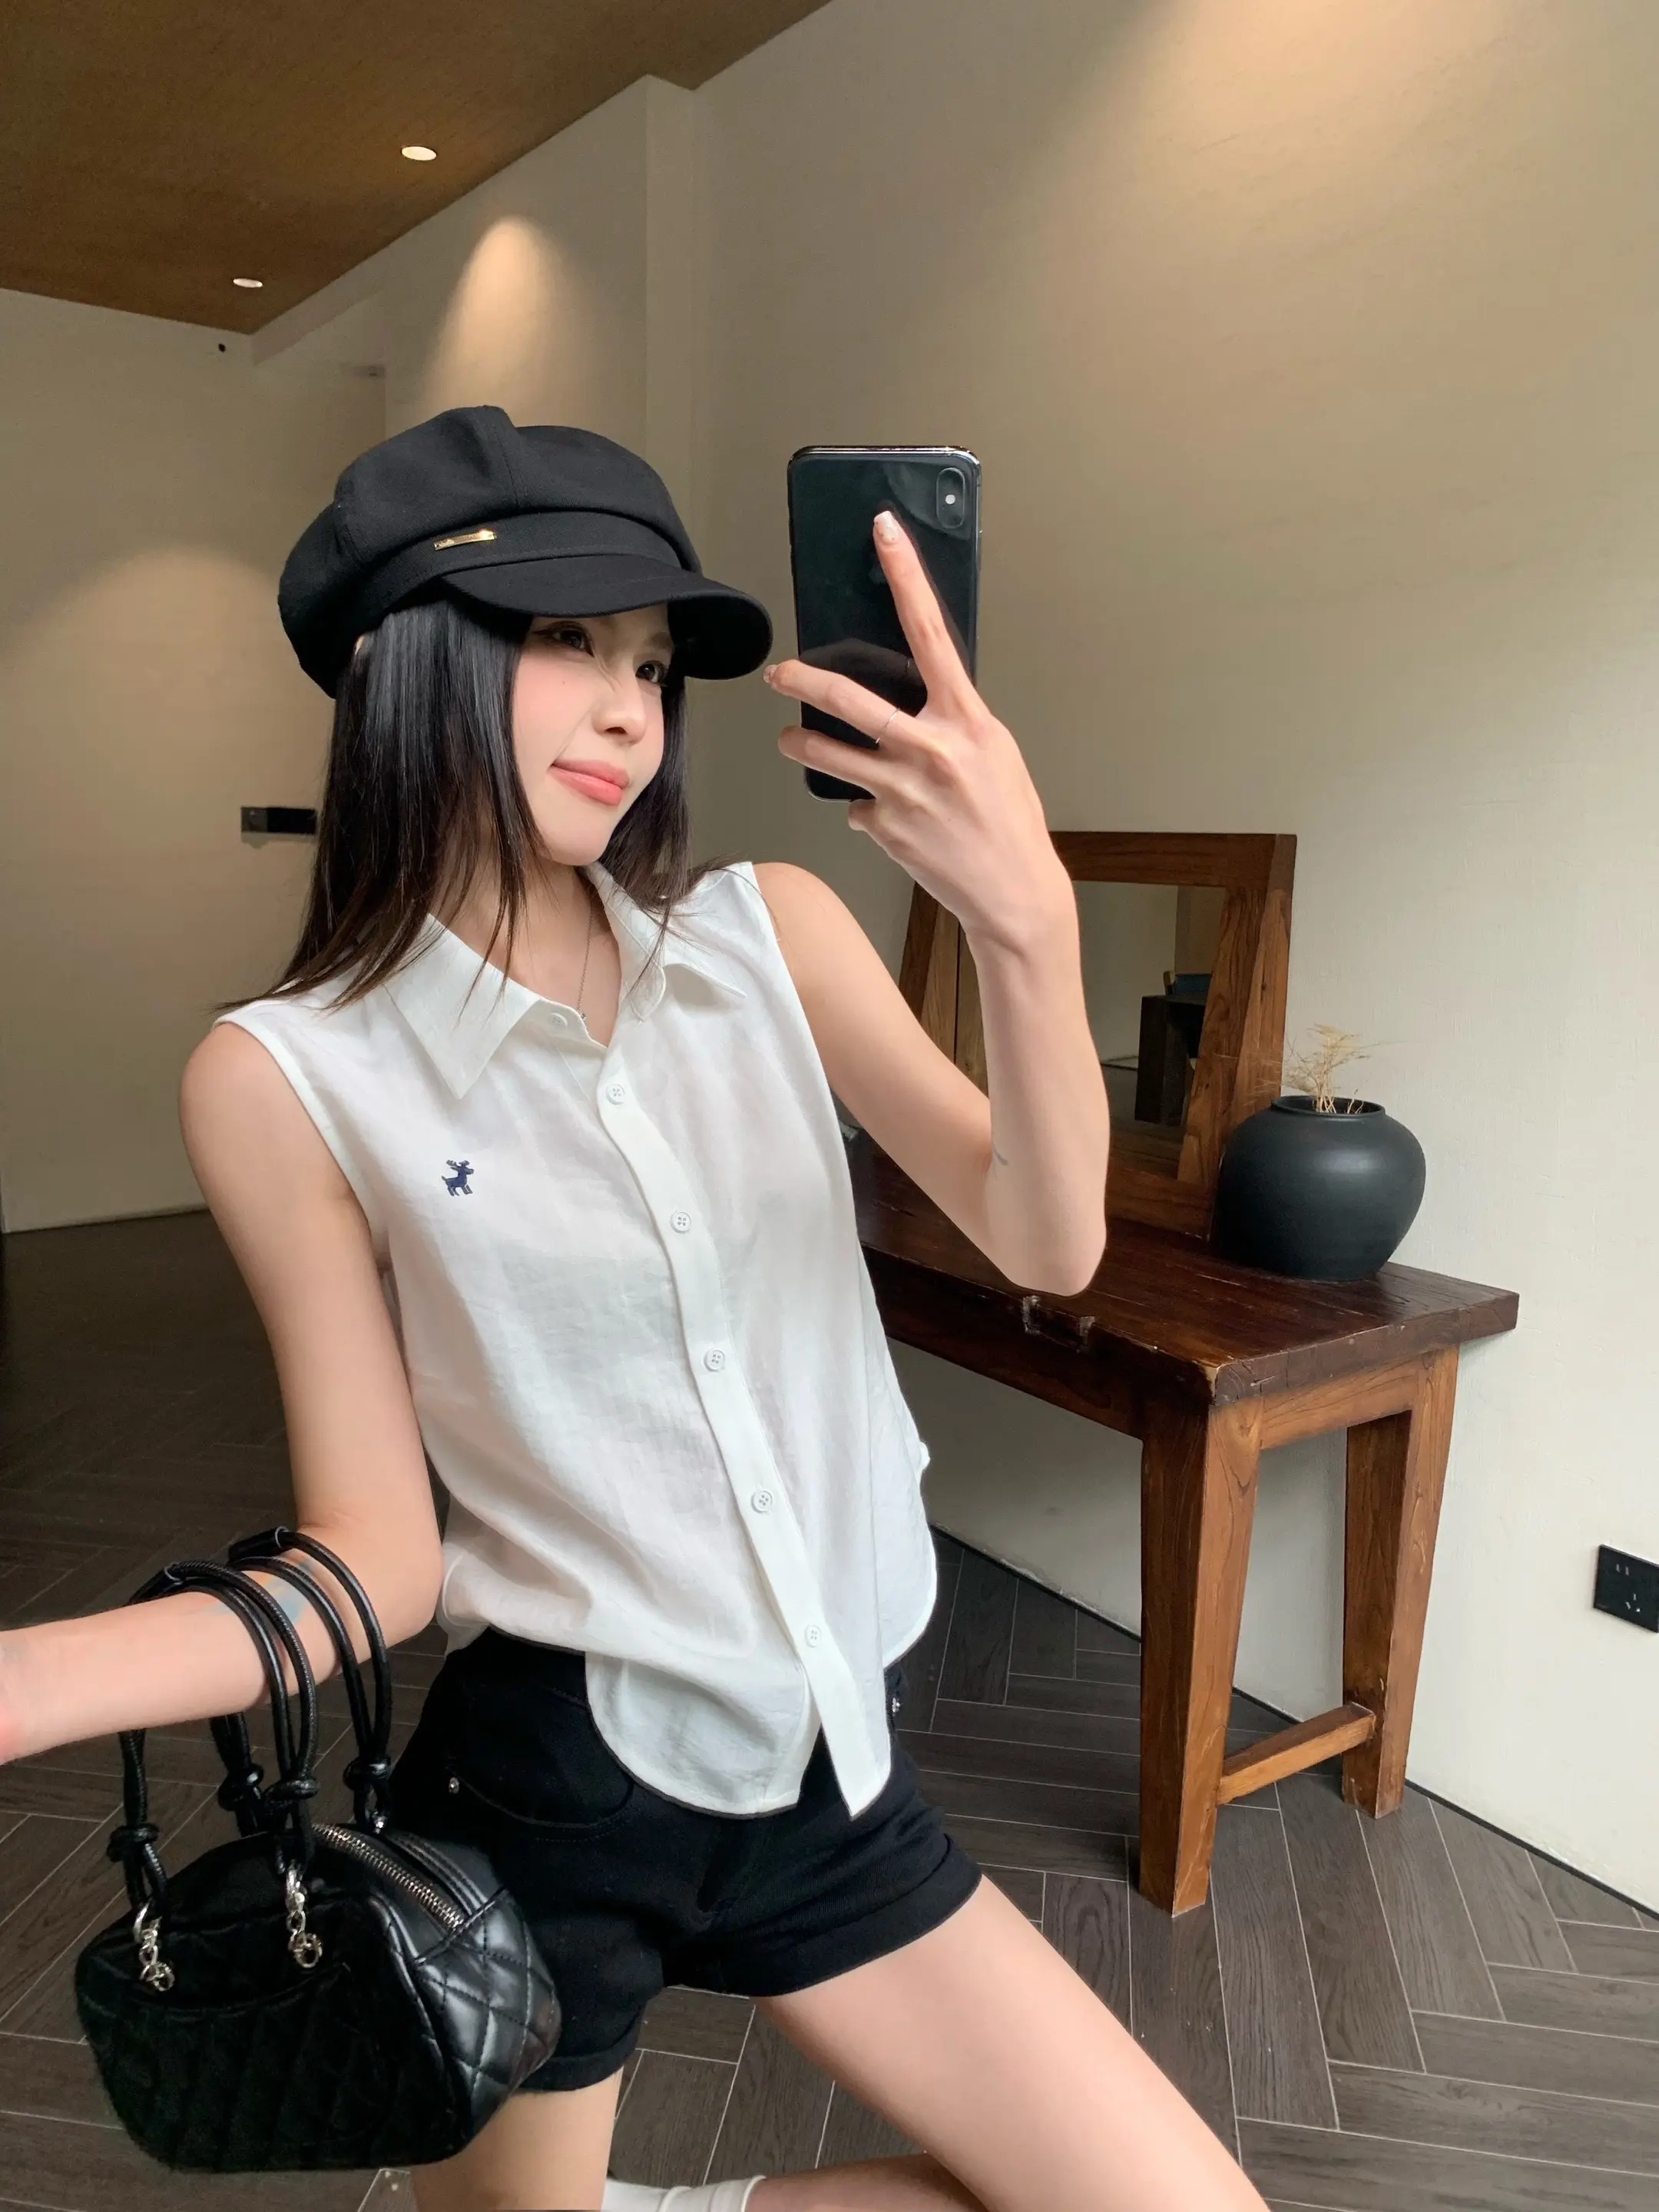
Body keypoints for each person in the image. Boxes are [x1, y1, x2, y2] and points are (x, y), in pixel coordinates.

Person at [0, 409, 1269, 2212]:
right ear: (402, 665)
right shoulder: (286, 1077)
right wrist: (25, 1682)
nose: (629, 712)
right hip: (550, 1813)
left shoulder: (774, 939)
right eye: (566, 641)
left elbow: (1045, 1240)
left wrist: (1028, 928)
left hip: (828, 1772)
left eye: (654, 666)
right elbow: (377, 1561)